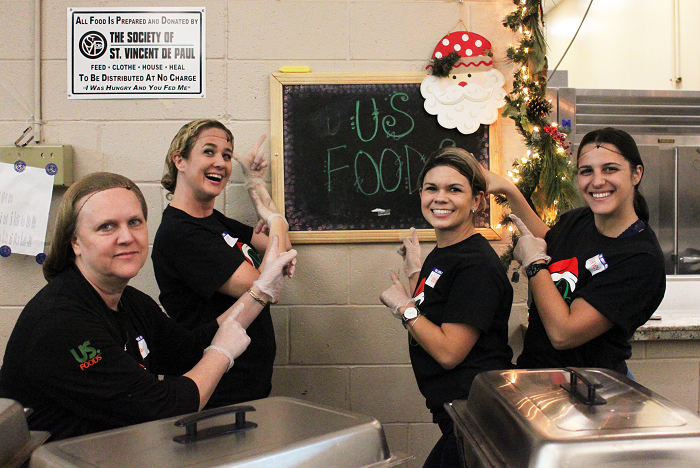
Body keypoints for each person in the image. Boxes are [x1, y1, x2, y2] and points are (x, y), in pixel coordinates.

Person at [0, 172, 297, 441]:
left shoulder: (130, 302)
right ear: (75, 243)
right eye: (107, 227)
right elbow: (161, 408)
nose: (126, 237)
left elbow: (190, 351)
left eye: (134, 222)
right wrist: (221, 353)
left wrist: (260, 291)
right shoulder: (61, 321)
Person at [485, 127, 666, 375]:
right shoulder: (580, 220)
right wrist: (509, 190)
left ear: (636, 174)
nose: (597, 181)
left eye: (610, 169)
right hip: (540, 378)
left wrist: (534, 263)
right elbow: (548, 240)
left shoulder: (640, 258)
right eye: (586, 171)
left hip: (589, 389)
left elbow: (564, 333)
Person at [379, 147, 513, 468]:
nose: (440, 198)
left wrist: (404, 309)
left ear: (477, 200)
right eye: (431, 188)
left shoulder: (476, 264)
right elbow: (439, 310)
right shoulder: (446, 251)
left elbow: (449, 351)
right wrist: (415, 272)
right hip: (458, 415)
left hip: (478, 417)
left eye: (454, 189)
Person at [152, 119, 293, 408]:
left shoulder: (214, 222)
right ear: (179, 160)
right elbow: (267, 284)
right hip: (217, 390)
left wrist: (256, 185)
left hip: (245, 385)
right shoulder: (182, 233)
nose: (220, 162)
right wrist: (278, 221)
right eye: (209, 151)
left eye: (227, 155)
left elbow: (281, 246)